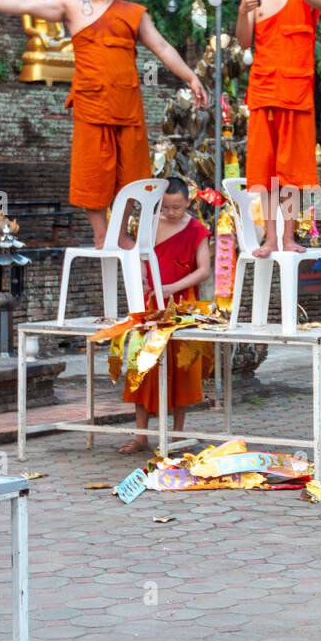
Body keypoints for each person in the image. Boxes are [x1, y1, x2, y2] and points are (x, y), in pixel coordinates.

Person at [0, 0, 206, 247]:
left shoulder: (134, 12)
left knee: (132, 174)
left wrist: (191, 78)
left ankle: (120, 231)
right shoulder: (72, 6)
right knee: (93, 172)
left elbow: (163, 48)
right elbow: (26, 4)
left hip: (126, 104)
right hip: (91, 103)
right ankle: (101, 235)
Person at [236, 0, 321, 255]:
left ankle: (289, 236)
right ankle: (271, 238)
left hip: (297, 92)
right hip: (263, 90)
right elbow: (244, 42)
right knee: (264, 168)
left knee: (292, 171)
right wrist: (242, 12)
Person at [117, 178, 212, 454]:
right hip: (150, 304)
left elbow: (203, 269)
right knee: (142, 366)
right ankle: (141, 435)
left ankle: (177, 434)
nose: (172, 213)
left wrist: (172, 287)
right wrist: (146, 276)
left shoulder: (196, 230)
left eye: (178, 208)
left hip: (182, 306)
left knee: (181, 369)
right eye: (168, 207)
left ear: (188, 203)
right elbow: (140, 256)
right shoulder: (149, 224)